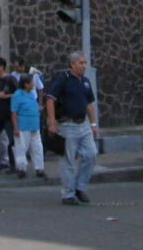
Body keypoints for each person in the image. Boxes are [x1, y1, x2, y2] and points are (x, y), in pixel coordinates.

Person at [46, 51, 99, 206]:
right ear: (72, 64)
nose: (84, 66)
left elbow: (89, 104)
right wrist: (52, 122)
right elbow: (50, 99)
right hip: (67, 125)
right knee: (68, 160)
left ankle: (79, 187)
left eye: (85, 63)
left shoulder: (85, 82)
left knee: (91, 154)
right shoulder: (63, 79)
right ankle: (68, 194)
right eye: (81, 63)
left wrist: (94, 124)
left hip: (83, 124)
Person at [11, 74, 45, 178]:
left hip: (34, 124)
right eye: (31, 82)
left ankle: (40, 168)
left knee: (37, 147)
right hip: (23, 125)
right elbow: (14, 113)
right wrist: (16, 128)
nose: (33, 84)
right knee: (22, 147)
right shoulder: (18, 95)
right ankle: (21, 169)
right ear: (26, 84)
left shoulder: (31, 94)